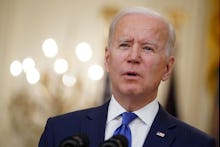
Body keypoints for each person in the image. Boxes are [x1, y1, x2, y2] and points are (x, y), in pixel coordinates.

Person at [38, 7, 215, 147]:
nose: (133, 57)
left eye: (147, 48)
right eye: (124, 45)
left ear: (167, 68)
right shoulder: (61, 131)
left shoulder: (196, 143)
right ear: (107, 60)